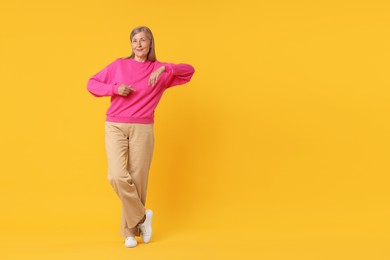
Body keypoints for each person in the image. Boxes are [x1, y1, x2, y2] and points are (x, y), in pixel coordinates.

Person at [86, 26, 195, 248]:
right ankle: (143, 217)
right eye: (135, 40)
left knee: (137, 179)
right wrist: (115, 89)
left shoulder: (160, 71)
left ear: (150, 44)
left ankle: (129, 233)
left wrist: (165, 68)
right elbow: (92, 84)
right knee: (116, 176)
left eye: (143, 40)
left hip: (143, 128)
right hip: (115, 125)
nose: (138, 44)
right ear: (131, 44)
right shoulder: (119, 65)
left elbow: (190, 71)